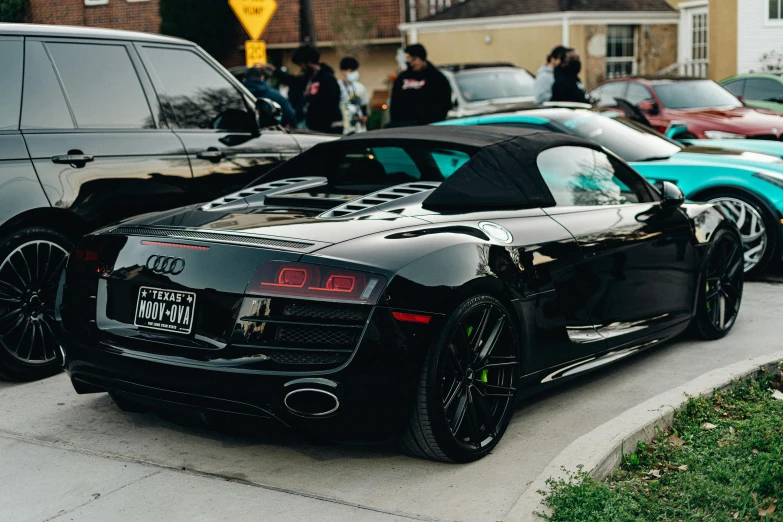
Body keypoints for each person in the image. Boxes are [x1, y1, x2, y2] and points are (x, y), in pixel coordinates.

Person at [267, 45, 342, 134]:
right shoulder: (309, 78)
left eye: (301, 64)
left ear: (308, 62)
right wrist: (274, 70)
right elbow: (292, 80)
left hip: (329, 127)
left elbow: (331, 102)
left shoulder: (327, 78)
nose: (301, 67)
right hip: (314, 126)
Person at [389, 43, 452, 127]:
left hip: (430, 125)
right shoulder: (402, 78)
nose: (409, 63)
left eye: (410, 59)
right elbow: (395, 101)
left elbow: (444, 101)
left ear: (418, 58)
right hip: (404, 126)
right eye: (407, 60)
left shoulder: (437, 78)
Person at [338, 56, 369, 134]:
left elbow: (364, 106)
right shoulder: (338, 87)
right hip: (344, 128)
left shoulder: (360, 87)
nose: (352, 73)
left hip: (359, 129)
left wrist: (365, 117)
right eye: (350, 70)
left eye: (354, 70)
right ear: (342, 72)